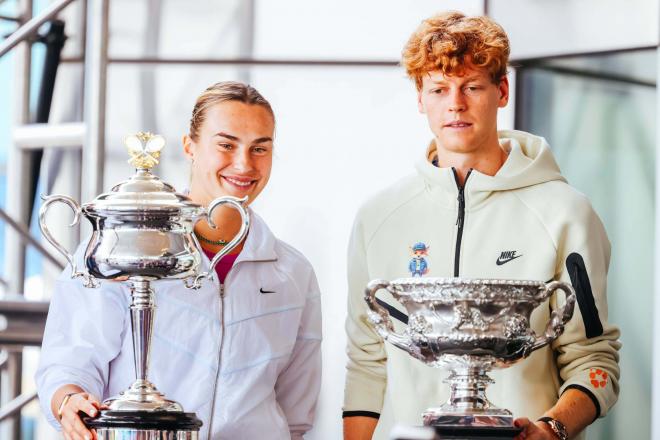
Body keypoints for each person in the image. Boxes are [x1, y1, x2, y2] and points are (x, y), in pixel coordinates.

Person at [342, 12, 620, 440]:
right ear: (420, 98)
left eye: (472, 86)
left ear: (502, 90)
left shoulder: (567, 212)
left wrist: (551, 429)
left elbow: (593, 359)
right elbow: (366, 361)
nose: (455, 103)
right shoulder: (377, 217)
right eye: (438, 89)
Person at [36, 81, 322, 440]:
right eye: (226, 144)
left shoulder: (293, 273)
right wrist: (69, 401)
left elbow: (296, 411)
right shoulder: (120, 249)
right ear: (190, 146)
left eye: (259, 148)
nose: (243, 164)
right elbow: (67, 365)